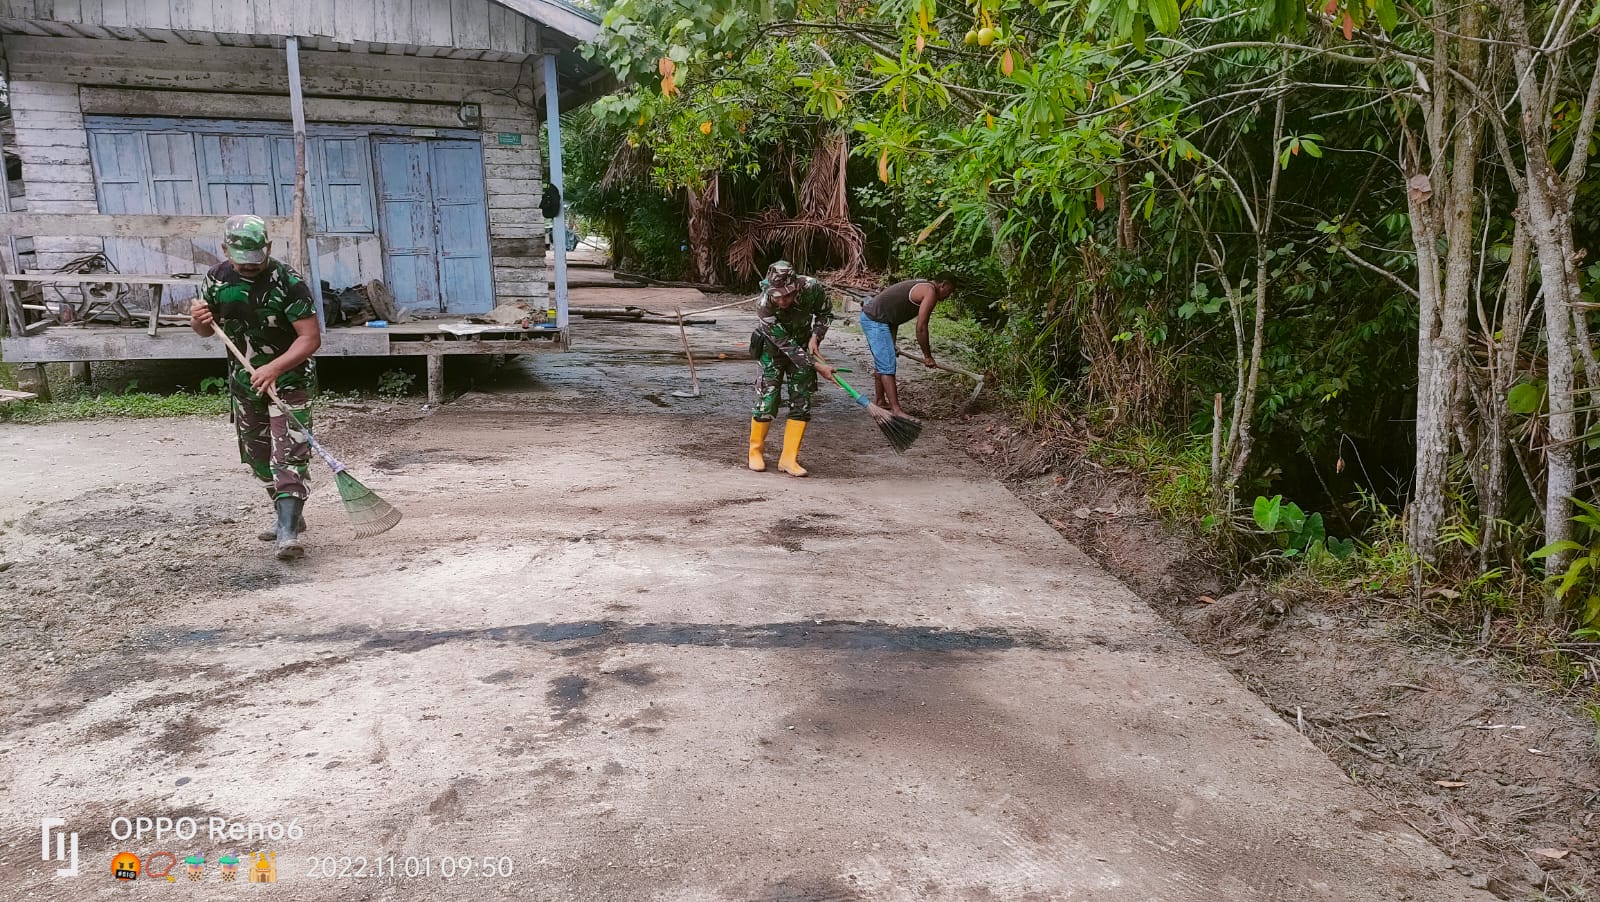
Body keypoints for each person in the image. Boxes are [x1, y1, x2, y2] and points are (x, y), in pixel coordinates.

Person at [189, 215, 322, 561]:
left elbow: (310, 338)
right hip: (245, 383)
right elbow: (206, 331)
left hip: (290, 380)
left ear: (269, 249)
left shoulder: (288, 282)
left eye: (256, 260)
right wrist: (199, 321)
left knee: (290, 452)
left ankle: (289, 533)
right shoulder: (216, 280)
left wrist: (275, 367)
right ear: (225, 250)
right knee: (258, 455)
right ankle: (287, 516)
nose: (249, 267)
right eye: (242, 261)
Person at [748, 261, 836, 477]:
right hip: (773, 348)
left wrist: (816, 337)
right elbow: (785, 343)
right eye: (777, 296)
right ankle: (755, 452)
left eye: (787, 295)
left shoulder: (812, 287)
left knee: (802, 400)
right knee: (768, 398)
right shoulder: (764, 304)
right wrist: (817, 366)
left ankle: (789, 459)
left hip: (804, 343)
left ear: (796, 286)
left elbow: (825, 313)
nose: (782, 301)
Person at [858, 276, 955, 418]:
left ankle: (880, 401)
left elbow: (895, 310)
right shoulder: (930, 292)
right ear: (943, 284)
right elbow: (921, 327)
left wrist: (892, 343)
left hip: (883, 319)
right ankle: (896, 409)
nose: (948, 295)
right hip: (876, 319)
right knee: (887, 365)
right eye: (949, 291)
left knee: (883, 362)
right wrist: (927, 356)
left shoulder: (923, 285)